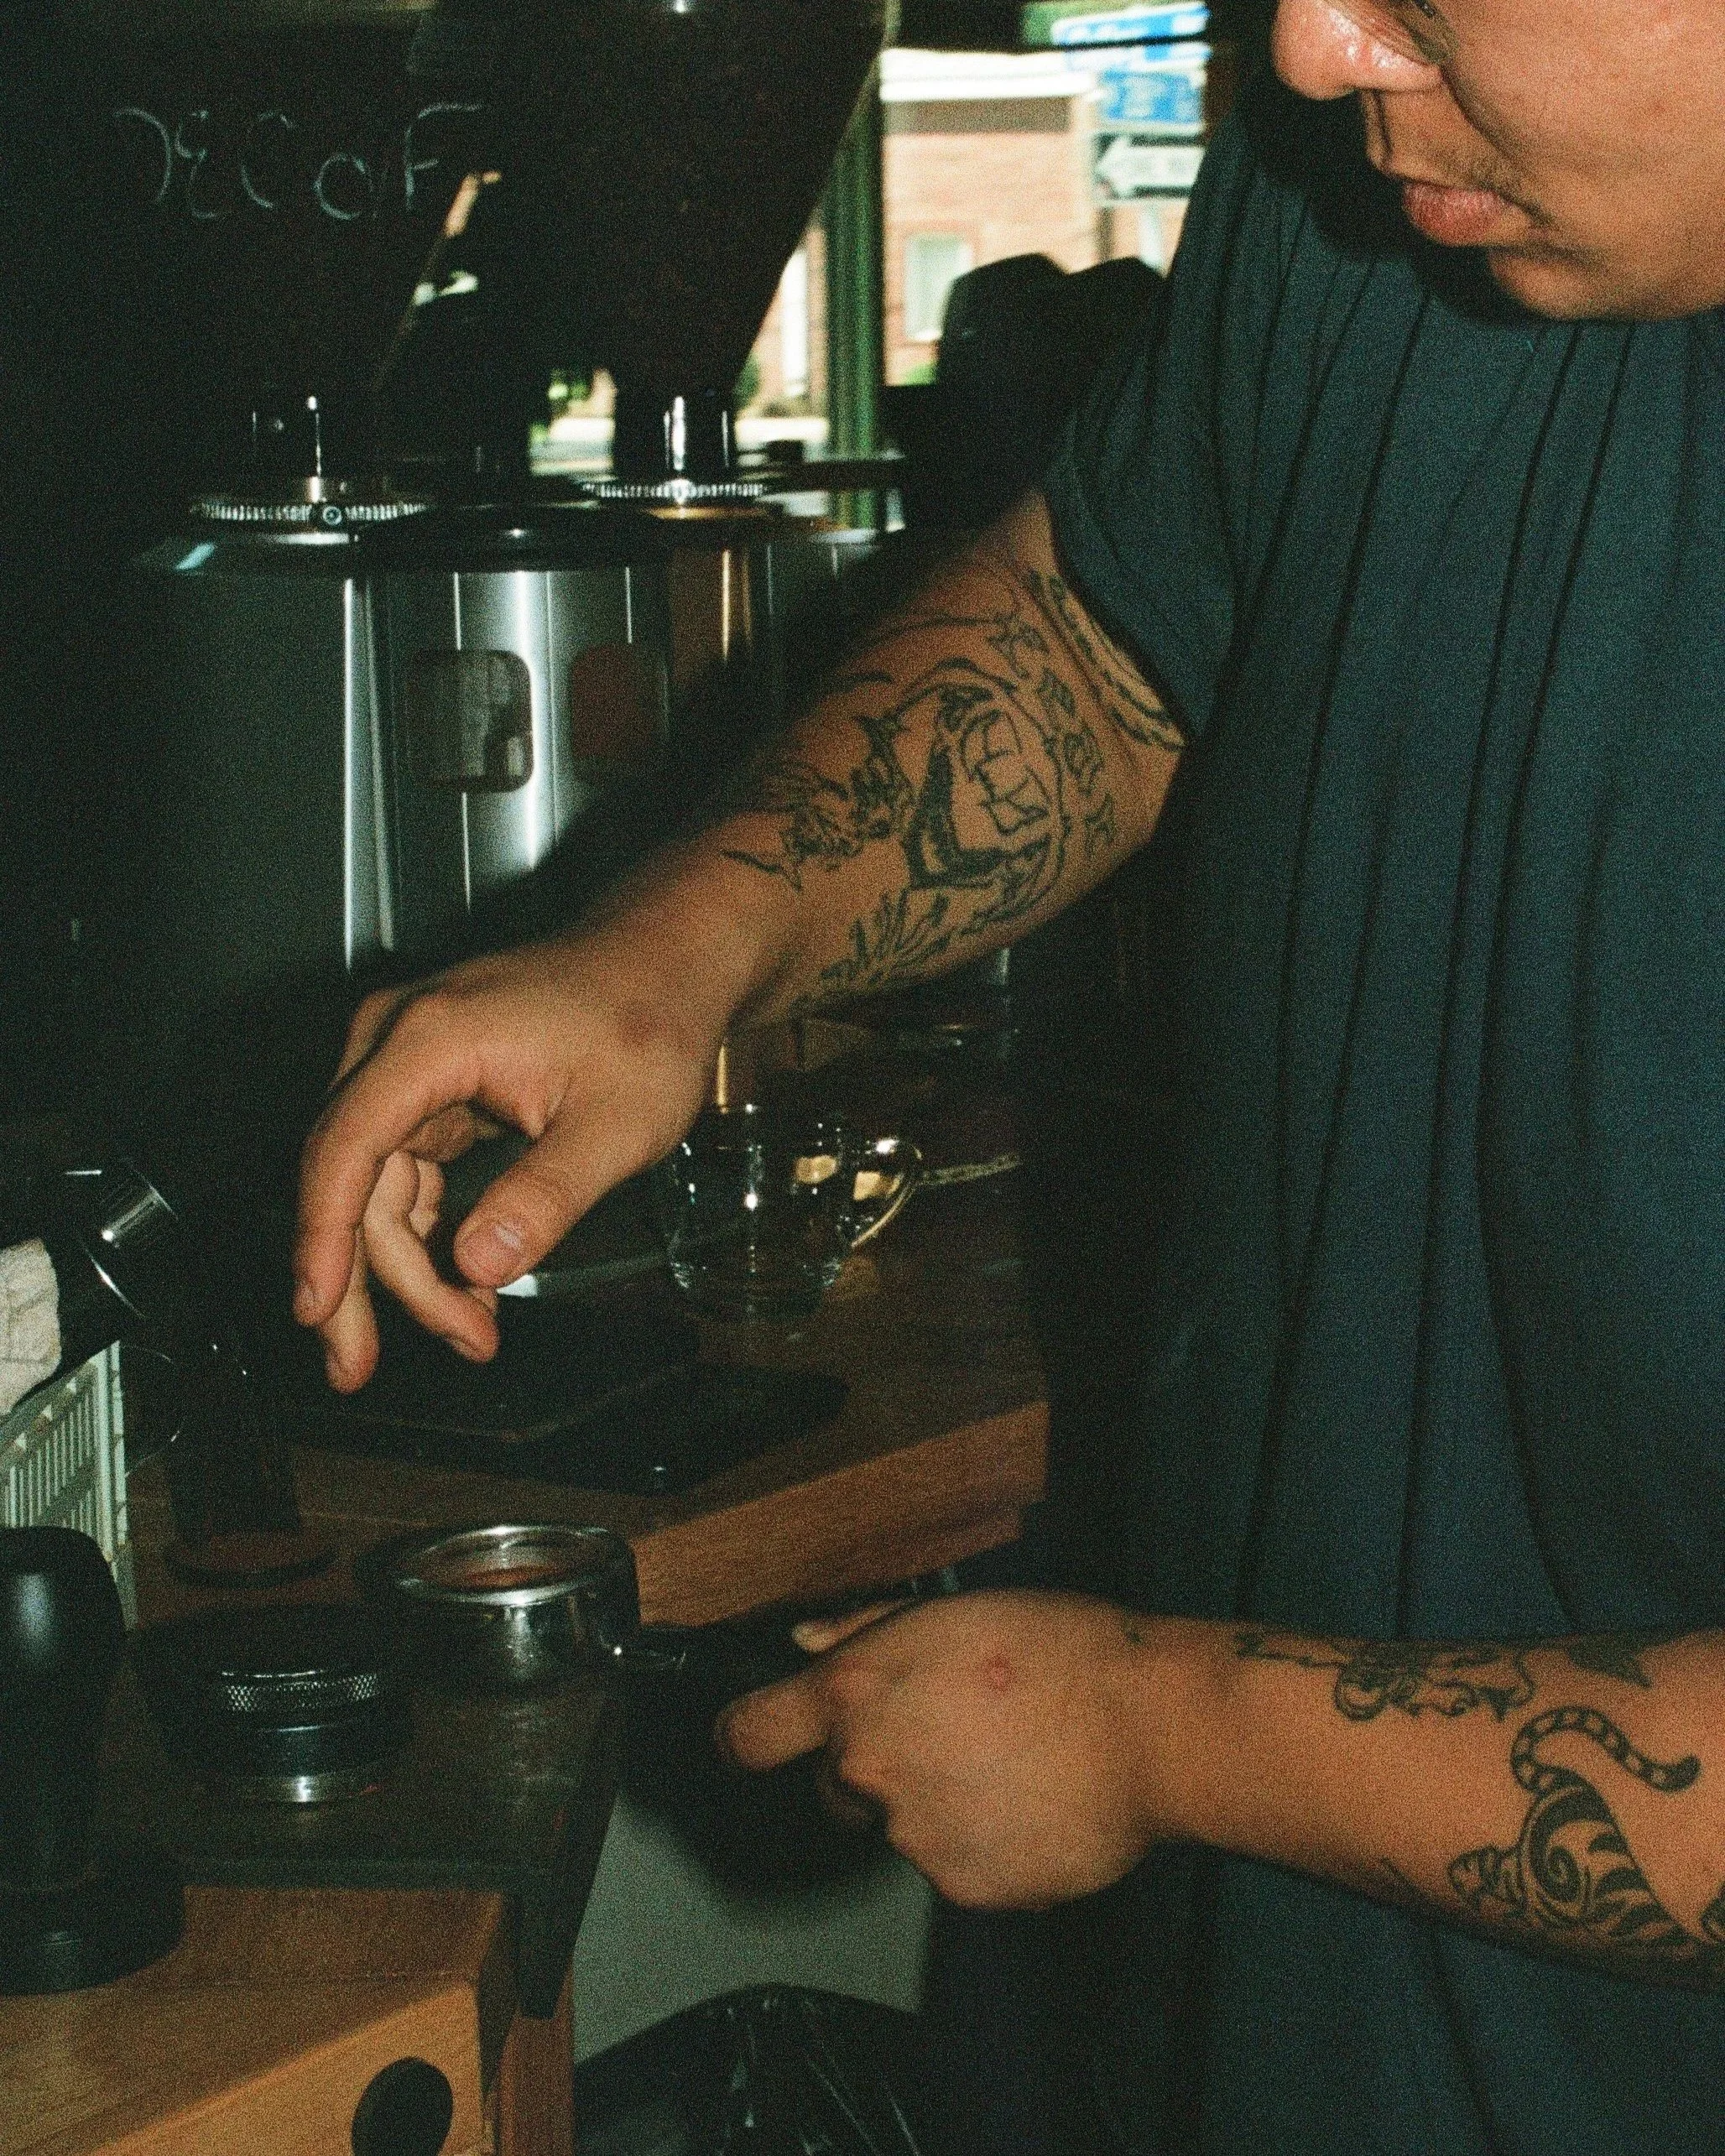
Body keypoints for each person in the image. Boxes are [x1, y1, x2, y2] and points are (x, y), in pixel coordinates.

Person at [294, 3, 1725, 2148]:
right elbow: (1110, 628)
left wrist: (1158, 1737)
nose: (1313, 51)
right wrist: (672, 953)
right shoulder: (1386, 174)